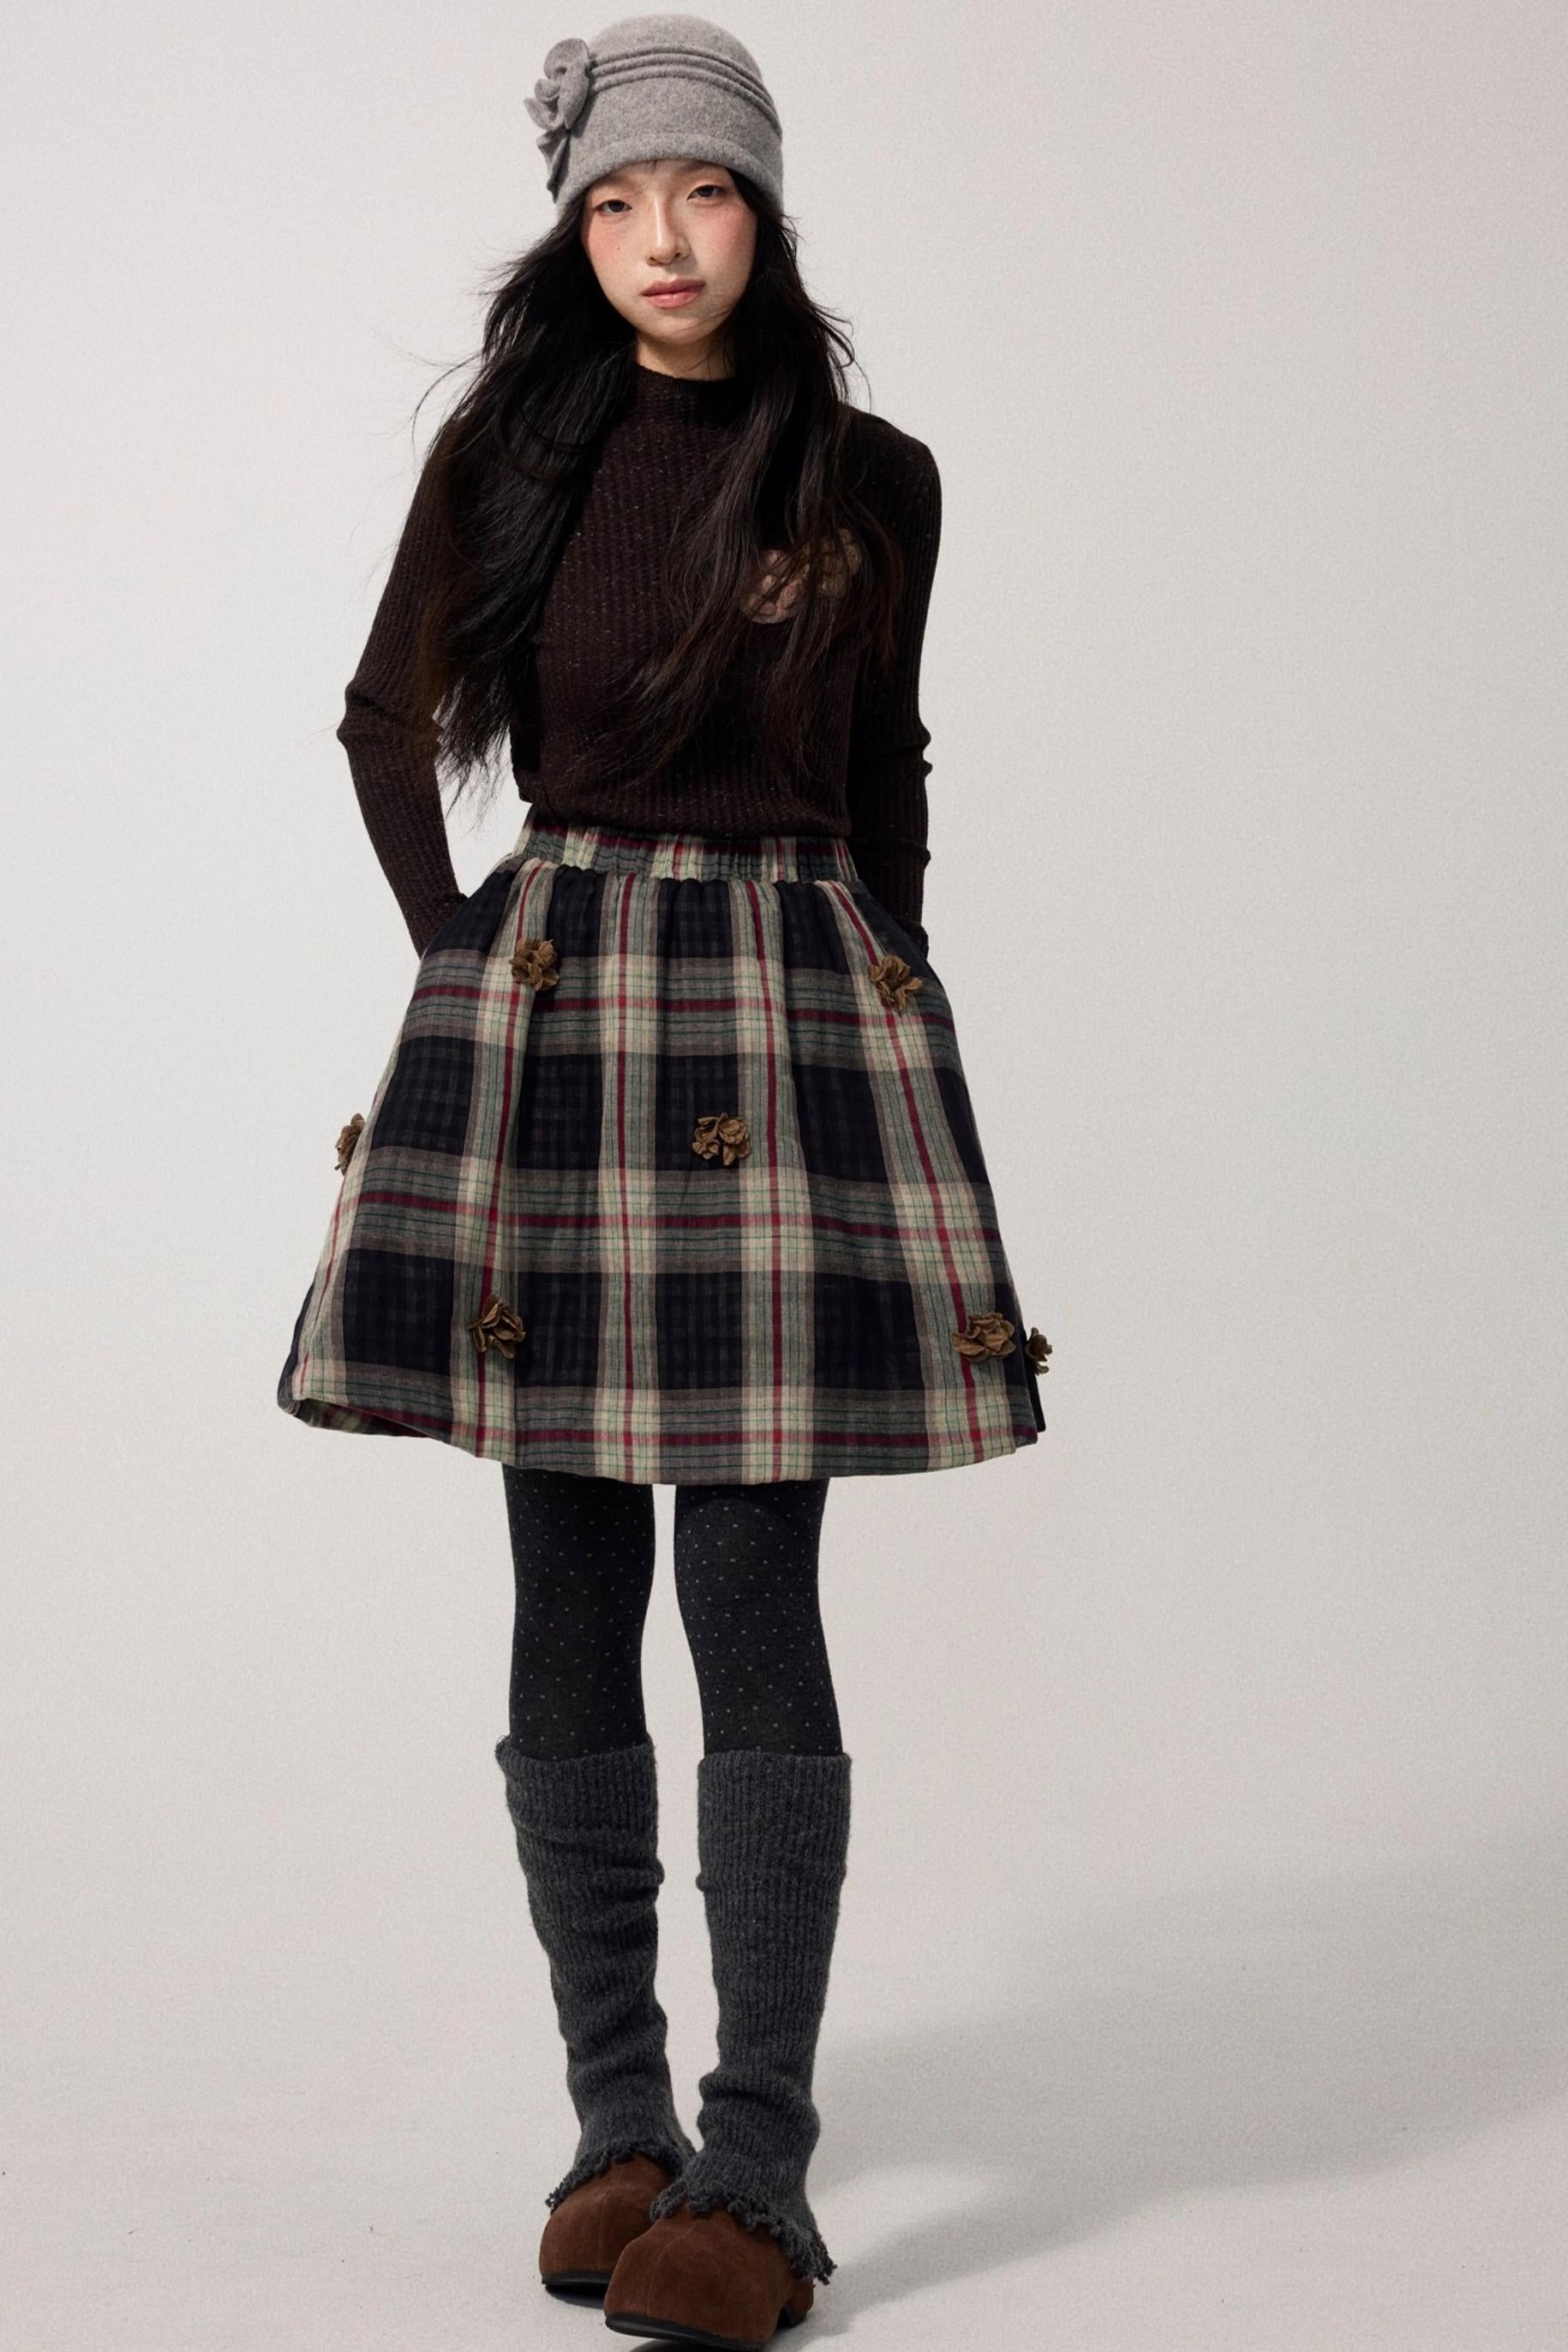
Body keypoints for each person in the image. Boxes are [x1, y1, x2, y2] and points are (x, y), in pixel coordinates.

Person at [277, 15, 1050, 2347]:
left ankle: (761, 2168)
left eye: (699, 193)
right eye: (616, 203)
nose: (661, 241)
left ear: (763, 208)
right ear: (577, 229)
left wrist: (898, 981)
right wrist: (462, 957)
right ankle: (616, 2131)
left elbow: (888, 759)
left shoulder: (877, 476)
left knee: (750, 1584)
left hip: (790, 1027)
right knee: (565, 1570)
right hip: (562, 1013)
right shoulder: (518, 446)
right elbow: (384, 716)